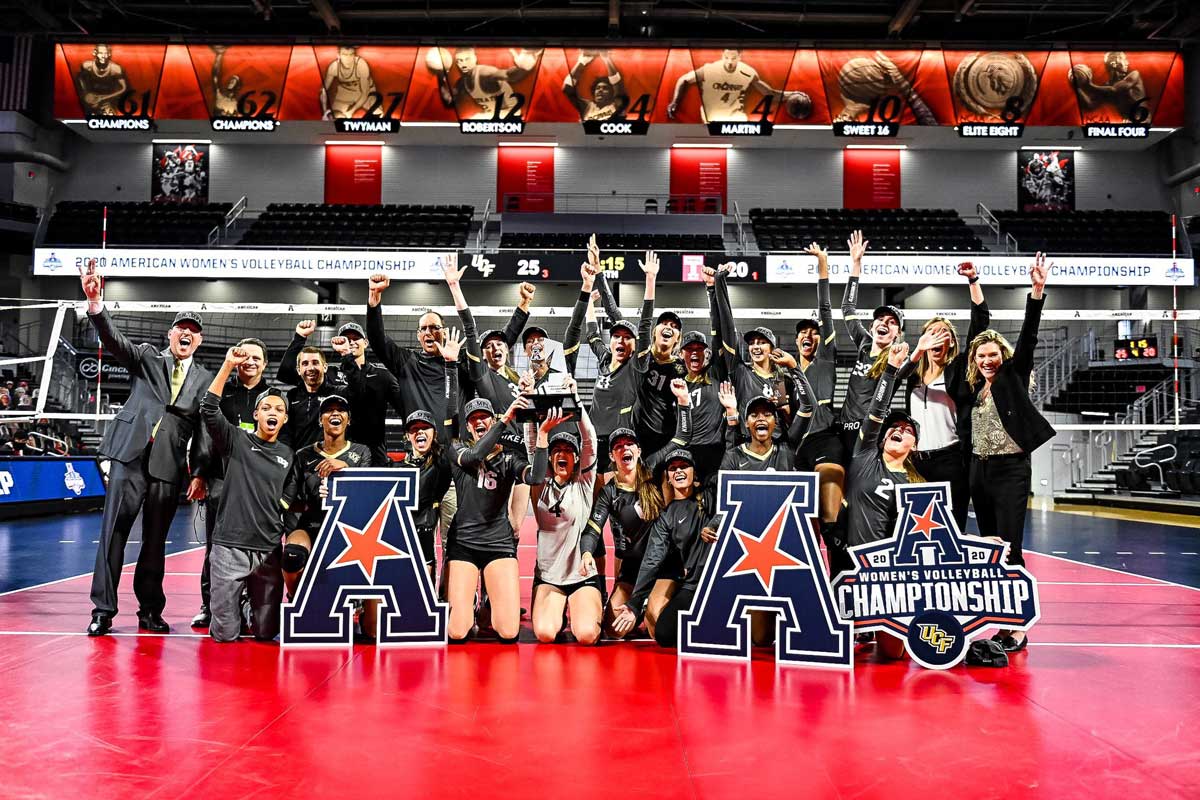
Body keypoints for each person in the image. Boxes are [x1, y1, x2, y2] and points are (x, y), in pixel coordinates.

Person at [80, 261, 210, 637]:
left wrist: (199, 471)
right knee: (112, 535)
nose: (187, 333)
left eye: (193, 331)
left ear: (199, 341)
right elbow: (113, 341)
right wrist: (96, 304)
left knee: (155, 543)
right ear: (170, 334)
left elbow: (202, 430)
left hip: (167, 467)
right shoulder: (147, 357)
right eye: (181, 328)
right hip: (128, 458)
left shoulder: (204, 378)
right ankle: (103, 610)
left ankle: (150, 611)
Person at [965, 253, 1055, 653]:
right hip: (979, 472)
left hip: (1009, 471)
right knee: (990, 550)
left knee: (1010, 549)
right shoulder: (974, 389)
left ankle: (1018, 627)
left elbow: (1029, 337)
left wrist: (1036, 292)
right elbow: (976, 328)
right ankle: (1000, 622)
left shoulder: (1012, 377)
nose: (987, 359)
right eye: (981, 355)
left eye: (992, 354)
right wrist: (973, 286)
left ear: (1002, 356)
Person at [581, 381, 693, 638]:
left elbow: (681, 439)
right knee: (612, 629)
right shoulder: (609, 492)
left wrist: (684, 402)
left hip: (663, 562)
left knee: (656, 629)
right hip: (632, 565)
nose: (625, 448)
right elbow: (592, 529)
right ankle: (638, 605)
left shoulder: (652, 469)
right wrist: (587, 552)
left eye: (629, 444)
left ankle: (653, 602)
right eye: (618, 446)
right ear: (612, 456)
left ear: (638, 450)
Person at [201, 346, 293, 643]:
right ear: (256, 414)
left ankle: (250, 603)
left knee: (266, 634)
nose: (273, 412)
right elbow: (208, 409)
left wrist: (280, 503)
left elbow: (293, 487)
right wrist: (228, 364)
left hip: (267, 549)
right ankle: (234, 604)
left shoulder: (288, 454)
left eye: (279, 410)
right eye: (267, 407)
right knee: (225, 635)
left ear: (285, 420)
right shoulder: (236, 440)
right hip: (230, 547)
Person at [366, 268, 464, 537]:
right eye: (424, 328)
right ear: (418, 335)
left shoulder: (459, 362)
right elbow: (377, 340)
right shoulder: (407, 362)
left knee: (455, 545)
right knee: (414, 543)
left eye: (435, 327)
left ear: (445, 332)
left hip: (454, 468)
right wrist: (374, 297)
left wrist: (452, 363)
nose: (429, 332)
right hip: (420, 468)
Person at [445, 395, 545, 643]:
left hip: (498, 544)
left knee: (509, 631)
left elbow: (535, 477)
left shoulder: (510, 458)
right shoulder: (459, 450)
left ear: (491, 420)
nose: (479, 421)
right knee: (457, 631)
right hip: (464, 545)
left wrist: (542, 439)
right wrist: (505, 420)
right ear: (468, 426)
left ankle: (489, 597)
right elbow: (475, 456)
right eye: (473, 419)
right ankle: (471, 599)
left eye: (484, 417)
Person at [843, 341, 920, 660]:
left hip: (890, 574)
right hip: (853, 568)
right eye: (894, 427)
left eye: (907, 429)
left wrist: (982, 541)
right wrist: (890, 369)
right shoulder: (863, 457)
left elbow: (934, 530)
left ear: (915, 445)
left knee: (892, 655)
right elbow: (876, 412)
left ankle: (895, 620)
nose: (898, 430)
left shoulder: (917, 483)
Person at [900, 262, 990, 531]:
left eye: (944, 335)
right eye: (932, 334)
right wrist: (916, 351)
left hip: (950, 460)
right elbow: (891, 377)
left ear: (951, 341)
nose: (938, 339)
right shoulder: (912, 373)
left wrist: (973, 280)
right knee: (915, 531)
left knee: (952, 528)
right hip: (915, 462)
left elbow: (980, 325)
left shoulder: (959, 370)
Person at [280, 394, 375, 635]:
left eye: (340, 410)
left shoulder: (361, 453)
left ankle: (359, 602)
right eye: (328, 410)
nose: (335, 413)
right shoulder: (303, 456)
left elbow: (369, 494)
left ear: (348, 420)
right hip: (312, 524)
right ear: (320, 420)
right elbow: (289, 501)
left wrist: (345, 470)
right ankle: (296, 598)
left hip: (349, 529)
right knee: (291, 556)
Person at [192, 337, 269, 629]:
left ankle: (250, 605)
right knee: (216, 545)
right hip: (222, 480)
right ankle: (209, 606)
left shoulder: (272, 397)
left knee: (255, 547)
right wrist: (199, 472)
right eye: (244, 356)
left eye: (256, 358)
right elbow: (204, 432)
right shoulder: (221, 392)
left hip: (256, 485)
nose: (250, 362)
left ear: (264, 364)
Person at [562, 236, 652, 479]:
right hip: (592, 437)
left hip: (620, 439)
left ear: (634, 344)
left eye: (626, 338)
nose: (620, 341)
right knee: (592, 493)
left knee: (617, 493)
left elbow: (614, 313)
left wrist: (600, 273)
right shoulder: (603, 359)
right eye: (616, 337)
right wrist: (590, 302)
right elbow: (592, 332)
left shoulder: (635, 365)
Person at [611, 449, 717, 647]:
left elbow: (728, 504)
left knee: (758, 636)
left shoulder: (711, 497)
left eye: (684, 466)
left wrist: (714, 524)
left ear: (694, 472)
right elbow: (652, 559)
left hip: (720, 582)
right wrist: (634, 603)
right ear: (667, 477)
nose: (678, 471)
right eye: (673, 468)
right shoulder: (667, 516)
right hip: (693, 585)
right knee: (664, 634)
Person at [528, 390, 602, 645]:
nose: (562, 453)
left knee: (587, 635)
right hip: (550, 576)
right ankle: (557, 612)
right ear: (549, 457)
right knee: (546, 634)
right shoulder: (539, 484)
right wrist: (530, 397)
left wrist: (576, 401)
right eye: (556, 449)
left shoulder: (583, 484)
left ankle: (581, 607)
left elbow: (590, 440)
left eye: (568, 450)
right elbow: (533, 446)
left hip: (581, 576)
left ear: (576, 458)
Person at [790, 243, 847, 570]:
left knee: (831, 521)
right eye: (803, 333)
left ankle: (841, 583)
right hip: (798, 448)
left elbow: (825, 309)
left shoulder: (826, 359)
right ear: (796, 341)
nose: (809, 336)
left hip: (826, 440)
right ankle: (811, 587)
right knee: (803, 527)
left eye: (814, 332)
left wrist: (823, 265)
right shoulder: (788, 371)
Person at [711, 262, 796, 439]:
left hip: (776, 444)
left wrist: (782, 408)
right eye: (752, 343)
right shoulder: (740, 371)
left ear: (771, 349)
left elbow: (788, 421)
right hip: (747, 442)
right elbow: (727, 327)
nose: (756, 346)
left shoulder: (779, 379)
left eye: (762, 343)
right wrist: (719, 283)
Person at [330, 322, 406, 467]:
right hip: (340, 452)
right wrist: (300, 338)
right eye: (346, 338)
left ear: (365, 343)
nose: (351, 342)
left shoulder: (383, 376)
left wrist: (410, 442)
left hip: (374, 452)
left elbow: (404, 409)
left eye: (355, 338)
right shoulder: (332, 375)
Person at [276, 320, 349, 451]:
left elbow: (358, 387)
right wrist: (299, 337)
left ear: (325, 367)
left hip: (330, 460)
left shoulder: (338, 393)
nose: (310, 368)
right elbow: (286, 432)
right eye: (305, 364)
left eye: (315, 362)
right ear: (298, 370)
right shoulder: (292, 395)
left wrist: (346, 353)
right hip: (299, 460)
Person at [667, 48, 785, 122]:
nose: (729, 62)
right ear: (722, 56)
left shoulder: (748, 72)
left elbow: (769, 93)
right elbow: (684, 79)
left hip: (735, 118)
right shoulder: (710, 69)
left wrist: (793, 94)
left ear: (739, 57)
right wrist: (675, 101)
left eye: (733, 58)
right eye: (726, 58)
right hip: (711, 117)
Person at [435, 47, 541, 119]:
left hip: (511, 114)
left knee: (474, 119)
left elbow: (510, 75)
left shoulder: (484, 73)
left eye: (467, 59)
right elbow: (449, 101)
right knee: (473, 119)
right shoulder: (463, 82)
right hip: (494, 117)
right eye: (460, 61)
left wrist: (524, 67)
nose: (463, 64)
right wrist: (439, 75)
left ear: (475, 59)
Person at [562, 50, 629, 121]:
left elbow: (617, 84)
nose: (600, 90)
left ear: (612, 93)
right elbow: (567, 89)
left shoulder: (617, 105)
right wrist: (582, 62)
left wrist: (607, 59)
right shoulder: (587, 107)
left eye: (605, 88)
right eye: (597, 88)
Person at [320, 45, 377, 120]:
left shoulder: (361, 65)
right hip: (345, 91)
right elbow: (324, 90)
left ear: (354, 55)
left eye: (351, 54)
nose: (348, 58)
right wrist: (325, 112)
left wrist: (351, 112)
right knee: (335, 117)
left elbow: (364, 93)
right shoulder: (334, 67)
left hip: (366, 91)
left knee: (379, 115)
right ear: (339, 56)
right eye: (345, 55)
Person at [75, 43, 129, 116]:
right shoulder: (86, 66)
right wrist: (86, 94)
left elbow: (123, 88)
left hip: (108, 100)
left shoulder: (115, 69)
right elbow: (80, 79)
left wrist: (103, 98)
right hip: (90, 100)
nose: (103, 56)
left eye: (106, 53)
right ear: (95, 53)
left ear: (109, 54)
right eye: (101, 53)